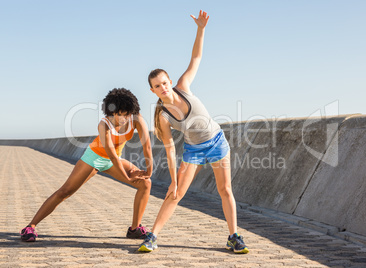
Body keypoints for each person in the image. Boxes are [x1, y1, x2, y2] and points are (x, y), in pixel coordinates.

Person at [138, 10, 249, 254]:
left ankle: (234, 237)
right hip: (193, 151)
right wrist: (174, 181)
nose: (163, 87)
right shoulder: (163, 116)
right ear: (153, 90)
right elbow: (169, 149)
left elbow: (196, 57)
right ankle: (152, 237)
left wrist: (201, 29)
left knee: (225, 190)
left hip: (217, 142)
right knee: (175, 194)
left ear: (169, 81)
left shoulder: (184, 86)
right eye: (157, 86)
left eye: (165, 82)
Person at [20, 88, 153, 242]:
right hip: (94, 158)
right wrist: (128, 178)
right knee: (65, 191)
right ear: (113, 112)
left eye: (129, 113)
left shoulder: (136, 119)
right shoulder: (104, 125)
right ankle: (30, 227)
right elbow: (110, 154)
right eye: (122, 114)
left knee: (146, 183)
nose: (126, 118)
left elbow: (147, 147)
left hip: (114, 159)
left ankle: (135, 229)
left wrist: (148, 172)